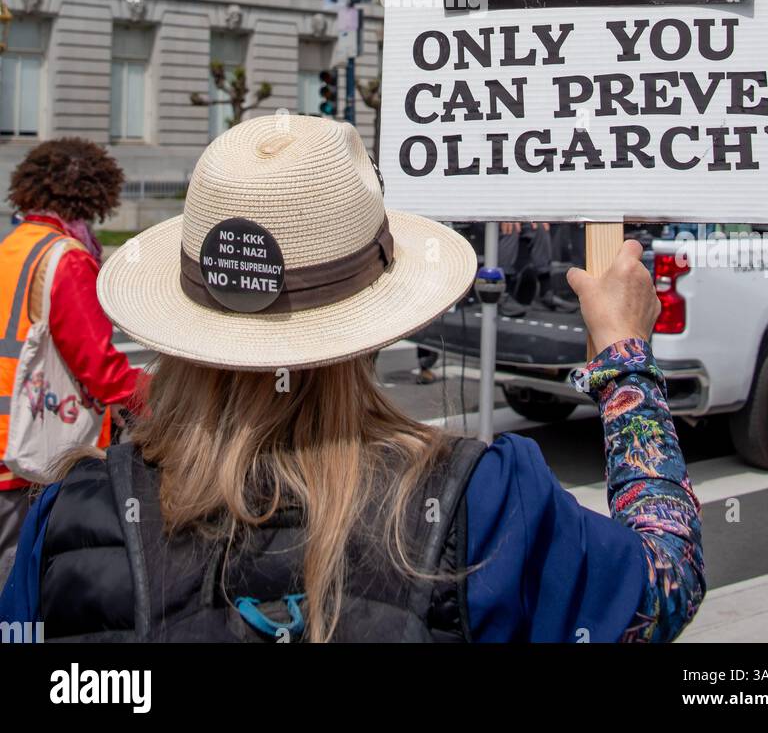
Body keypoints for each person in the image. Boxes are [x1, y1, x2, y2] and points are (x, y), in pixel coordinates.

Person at [1, 115, 703, 643]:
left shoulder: (70, 518)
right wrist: (621, 362)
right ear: (373, 320)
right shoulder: (483, 499)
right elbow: (663, 583)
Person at [0, 138, 145, 579]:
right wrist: (161, 392)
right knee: (16, 577)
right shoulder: (66, 259)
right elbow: (102, 371)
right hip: (27, 448)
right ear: (95, 194)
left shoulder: (14, 244)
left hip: (10, 436)